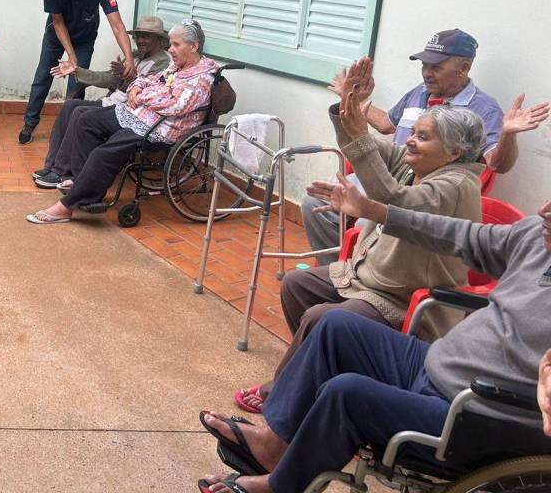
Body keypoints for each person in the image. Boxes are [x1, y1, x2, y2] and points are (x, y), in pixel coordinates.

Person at [196, 183, 551, 493]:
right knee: (335, 326)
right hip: (438, 364)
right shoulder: (538, 237)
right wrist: (374, 211)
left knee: (347, 393)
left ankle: (279, 487)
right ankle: (273, 447)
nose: (544, 210)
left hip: (478, 410)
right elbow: (458, 234)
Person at [230, 76, 485, 414]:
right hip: (369, 276)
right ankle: (316, 369)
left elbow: (392, 199)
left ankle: (284, 393)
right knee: (296, 284)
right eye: (413, 133)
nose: (410, 141)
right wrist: (346, 111)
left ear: (454, 152)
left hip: (403, 296)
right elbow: (369, 148)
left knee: (320, 317)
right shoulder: (420, 165)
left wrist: (362, 150)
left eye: (423, 137)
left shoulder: (455, 185)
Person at [304, 39, 548, 262]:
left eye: (436, 67)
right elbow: (387, 124)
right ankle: (337, 270)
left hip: (426, 190)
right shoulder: (420, 91)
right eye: (424, 65)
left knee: (368, 223)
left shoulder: (483, 108)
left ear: (463, 68)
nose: (426, 73)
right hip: (389, 169)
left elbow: (497, 164)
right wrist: (352, 99)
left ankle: (356, 277)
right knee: (314, 202)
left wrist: (508, 133)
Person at [26, 19, 217, 224]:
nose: (170, 49)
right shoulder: (176, 67)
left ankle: (66, 207)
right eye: (170, 44)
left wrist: (140, 95)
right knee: (86, 120)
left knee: (103, 152)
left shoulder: (201, 79)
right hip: (138, 114)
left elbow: (175, 105)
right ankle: (85, 187)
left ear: (193, 46)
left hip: (160, 129)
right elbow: (147, 80)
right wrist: (136, 88)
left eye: (176, 45)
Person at [32, 15, 171, 189]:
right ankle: (52, 165)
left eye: (146, 36)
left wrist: (129, 76)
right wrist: (77, 71)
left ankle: (63, 172)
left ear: (159, 39)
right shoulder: (135, 56)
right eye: (138, 36)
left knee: (79, 112)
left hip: (129, 111)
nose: (140, 40)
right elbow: (108, 78)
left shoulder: (164, 63)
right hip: (110, 103)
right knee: (69, 106)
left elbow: (149, 91)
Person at [19, 0, 137, 145]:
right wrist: (71, 55)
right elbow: (58, 22)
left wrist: (129, 58)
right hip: (56, 36)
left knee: (78, 81)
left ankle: (68, 129)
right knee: (43, 76)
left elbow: (117, 25)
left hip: (84, 37)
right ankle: (29, 124)